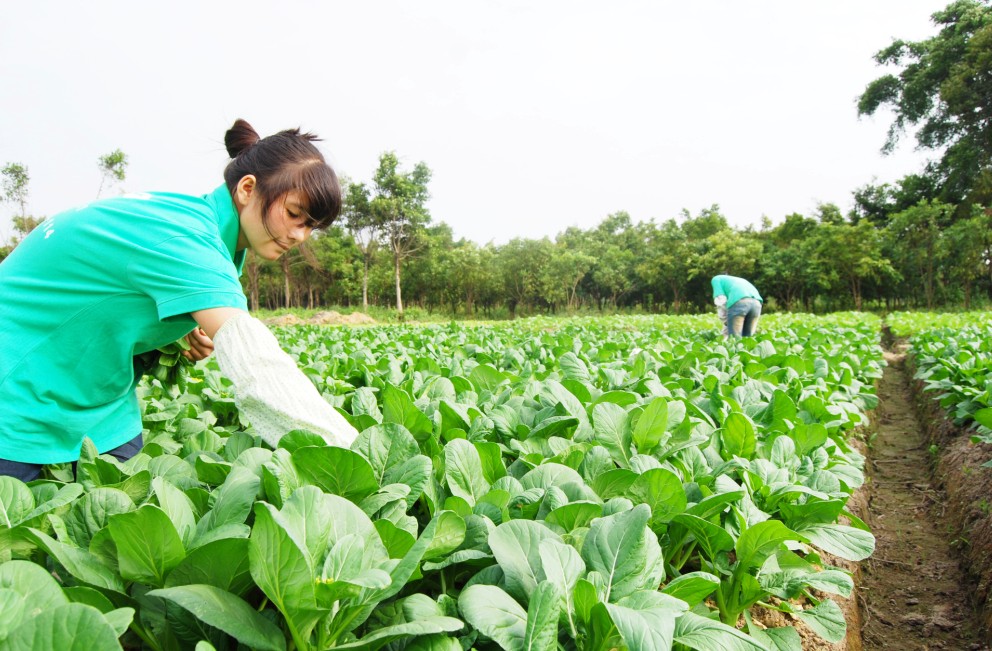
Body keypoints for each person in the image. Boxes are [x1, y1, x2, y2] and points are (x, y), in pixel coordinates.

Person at [0, 119, 359, 482]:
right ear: (247, 189)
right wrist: (351, 454)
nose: (300, 235)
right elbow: (258, 367)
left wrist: (173, 328)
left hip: (96, 394)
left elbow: (107, 285)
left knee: (119, 513)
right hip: (19, 382)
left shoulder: (201, 228)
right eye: (295, 214)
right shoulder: (186, 238)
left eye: (311, 225)